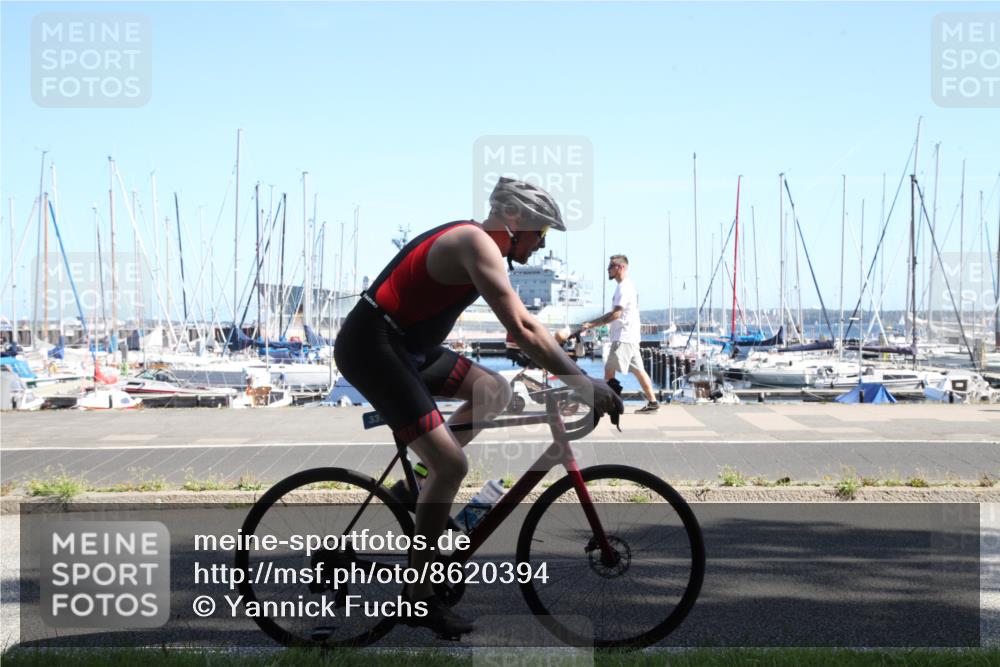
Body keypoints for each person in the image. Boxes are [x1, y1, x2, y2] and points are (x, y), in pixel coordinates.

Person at [334, 177, 623, 637]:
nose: (542, 243)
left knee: (494, 392)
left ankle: (417, 489)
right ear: (516, 223)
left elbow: (524, 327)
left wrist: (576, 377)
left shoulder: (484, 246)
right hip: (374, 345)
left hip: (408, 346)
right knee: (452, 464)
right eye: (540, 232)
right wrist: (584, 382)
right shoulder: (476, 243)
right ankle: (419, 596)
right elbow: (524, 332)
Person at [580, 255, 660, 413]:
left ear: (621, 267)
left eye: (611, 266)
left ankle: (608, 404)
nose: (608, 270)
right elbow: (616, 313)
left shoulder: (623, 288)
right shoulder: (626, 286)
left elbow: (616, 315)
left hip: (623, 337)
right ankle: (653, 402)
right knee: (638, 370)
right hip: (630, 337)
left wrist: (592, 324)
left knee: (609, 370)